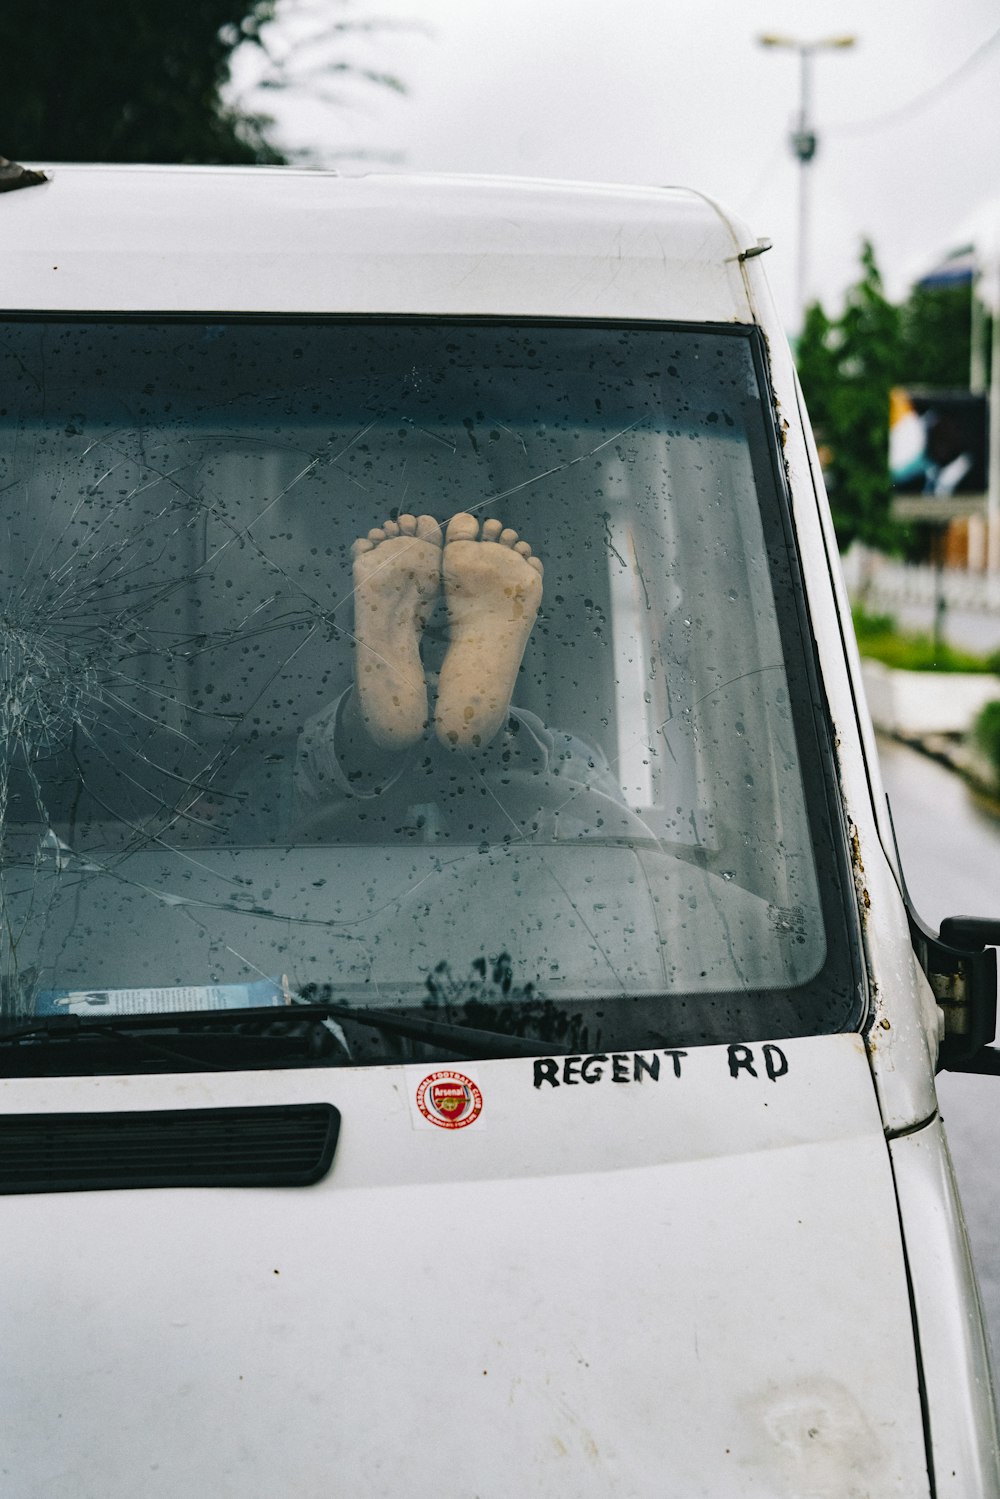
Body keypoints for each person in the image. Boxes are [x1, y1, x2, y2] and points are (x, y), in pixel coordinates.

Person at [295, 511, 631, 841]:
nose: (438, 665)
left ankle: (370, 737)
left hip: (354, 877)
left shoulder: (288, 767)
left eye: (449, 640)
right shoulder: (573, 763)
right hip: (518, 879)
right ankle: (495, 745)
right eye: (423, 637)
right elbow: (622, 870)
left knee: (327, 756)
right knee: (553, 761)